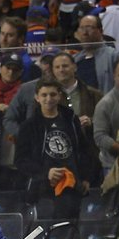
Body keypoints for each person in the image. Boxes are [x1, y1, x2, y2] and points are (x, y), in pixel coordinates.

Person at [16, 79, 98, 219]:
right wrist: (46, 172)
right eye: (44, 95)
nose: (49, 99)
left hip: (71, 186)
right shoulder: (29, 126)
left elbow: (84, 150)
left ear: (59, 96)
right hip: (42, 188)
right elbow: (20, 160)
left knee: (70, 229)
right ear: (37, 97)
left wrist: (86, 177)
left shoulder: (71, 121)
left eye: (53, 94)